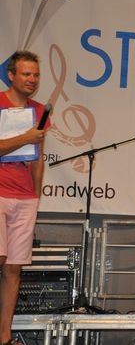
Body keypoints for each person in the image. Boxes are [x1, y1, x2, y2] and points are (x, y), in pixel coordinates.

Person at [0, 51, 49, 345]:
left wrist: (36, 195)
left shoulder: (40, 110)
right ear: (11, 75)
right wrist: (27, 138)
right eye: (26, 74)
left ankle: (4, 337)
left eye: (36, 75)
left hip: (25, 197)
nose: (32, 79)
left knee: (14, 268)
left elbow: (38, 158)